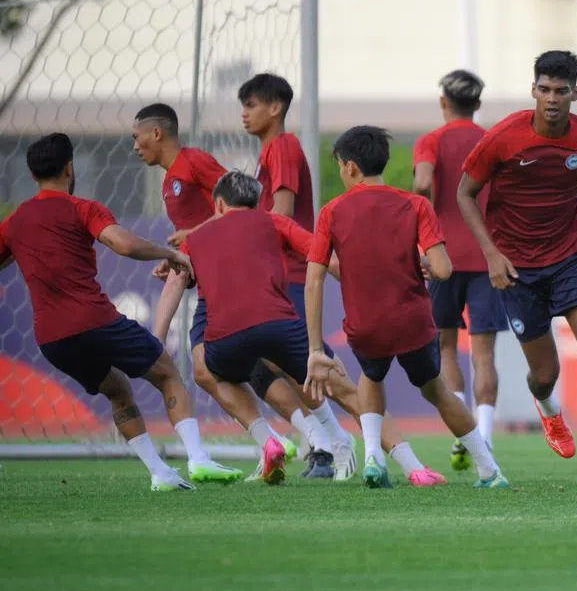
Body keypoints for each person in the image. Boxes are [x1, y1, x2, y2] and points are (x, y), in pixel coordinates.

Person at [0, 133, 241, 490]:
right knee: (167, 373)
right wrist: (171, 254)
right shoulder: (83, 208)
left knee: (117, 389)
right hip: (95, 320)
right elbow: (123, 244)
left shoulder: (16, 221)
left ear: (33, 176)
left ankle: (160, 473)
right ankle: (198, 459)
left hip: (51, 339)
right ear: (70, 167)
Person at [457, 50, 577, 493]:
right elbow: (465, 192)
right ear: (533, 90)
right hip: (518, 270)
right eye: (544, 90)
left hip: (570, 258)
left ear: (575, 93)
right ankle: (548, 407)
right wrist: (492, 255)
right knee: (544, 375)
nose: (552, 99)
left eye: (561, 91)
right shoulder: (504, 138)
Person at [305, 126, 507, 489]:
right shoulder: (415, 204)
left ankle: (373, 459)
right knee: (436, 390)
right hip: (411, 322)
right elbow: (443, 269)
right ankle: (488, 470)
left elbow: (314, 279)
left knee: (371, 375)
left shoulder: (332, 212)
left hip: (365, 325)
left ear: (350, 168)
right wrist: (418, 262)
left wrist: (316, 347)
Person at [130, 102, 322, 475]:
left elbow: (235, 204)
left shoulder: (195, 161)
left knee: (243, 366)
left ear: (157, 133)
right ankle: (291, 439)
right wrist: (179, 256)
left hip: (232, 276)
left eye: (136, 138)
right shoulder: (169, 180)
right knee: (224, 370)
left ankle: (325, 438)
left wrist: (198, 241)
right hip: (209, 276)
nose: (134, 147)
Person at [175, 170, 369, 485]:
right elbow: (179, 271)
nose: (245, 116)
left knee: (297, 369)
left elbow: (319, 252)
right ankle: (299, 442)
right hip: (215, 297)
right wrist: (173, 258)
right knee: (211, 369)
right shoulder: (199, 233)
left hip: (267, 289)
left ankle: (337, 441)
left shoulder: (264, 158)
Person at [238, 72, 358, 479]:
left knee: (297, 362)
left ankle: (346, 440)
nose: (244, 113)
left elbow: (282, 215)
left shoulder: (283, 147)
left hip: (289, 271)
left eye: (251, 104)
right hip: (276, 273)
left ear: (275, 107)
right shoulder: (266, 154)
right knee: (258, 366)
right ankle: (325, 442)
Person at [412, 69, 507, 473]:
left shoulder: (431, 140)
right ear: (478, 104)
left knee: (448, 347)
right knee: (484, 353)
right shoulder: (491, 140)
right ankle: (483, 434)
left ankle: (462, 434)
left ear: (443, 102)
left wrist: (425, 214)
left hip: (443, 257)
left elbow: (420, 182)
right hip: (487, 256)